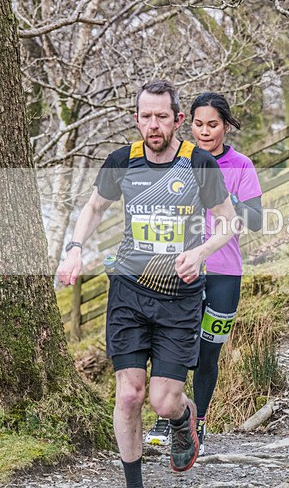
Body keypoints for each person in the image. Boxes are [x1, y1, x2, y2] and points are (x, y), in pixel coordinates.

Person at [56, 80, 238, 487]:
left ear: (177, 120)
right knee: (129, 396)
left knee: (164, 400)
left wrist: (201, 253)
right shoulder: (122, 160)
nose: (153, 125)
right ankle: (133, 483)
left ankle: (185, 418)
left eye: (161, 117)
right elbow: (93, 207)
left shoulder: (198, 164)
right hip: (129, 293)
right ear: (136, 120)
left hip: (180, 297)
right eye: (146, 117)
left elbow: (229, 222)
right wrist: (73, 248)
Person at [144, 92, 263, 455]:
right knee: (172, 348)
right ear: (186, 123)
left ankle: (199, 422)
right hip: (179, 271)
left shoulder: (241, 165)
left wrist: (226, 197)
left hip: (225, 274)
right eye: (198, 124)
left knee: (208, 354)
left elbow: (256, 220)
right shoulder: (176, 162)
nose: (205, 131)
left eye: (213, 125)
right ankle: (168, 417)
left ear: (226, 126)